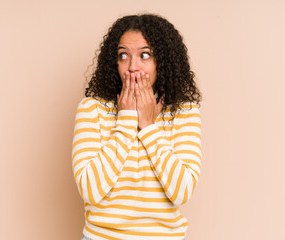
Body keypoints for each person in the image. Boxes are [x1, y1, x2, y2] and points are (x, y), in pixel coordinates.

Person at [72, 13, 202, 240]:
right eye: (123, 55)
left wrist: (149, 126)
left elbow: (182, 192)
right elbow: (90, 190)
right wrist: (126, 120)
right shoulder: (92, 109)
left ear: (162, 61)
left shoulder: (184, 113)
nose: (132, 67)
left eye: (145, 55)